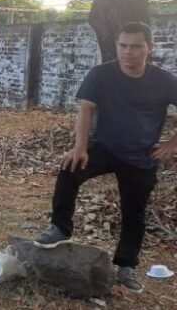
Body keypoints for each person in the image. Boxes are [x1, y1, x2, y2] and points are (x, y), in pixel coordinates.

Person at [34, 21, 177, 293]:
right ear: (117, 46)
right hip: (105, 146)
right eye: (123, 46)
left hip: (141, 155)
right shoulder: (101, 74)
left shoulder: (165, 81)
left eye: (136, 46)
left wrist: (172, 144)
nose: (128, 52)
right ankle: (60, 228)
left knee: (134, 212)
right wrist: (79, 147)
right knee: (69, 169)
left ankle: (126, 266)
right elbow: (86, 110)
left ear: (150, 47)